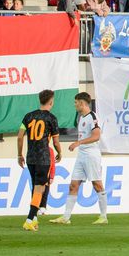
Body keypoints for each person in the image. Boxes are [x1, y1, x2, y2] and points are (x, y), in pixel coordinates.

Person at [50, 92, 108, 225]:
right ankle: (66, 217)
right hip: (82, 154)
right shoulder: (81, 117)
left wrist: (78, 143)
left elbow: (96, 136)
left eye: (76, 102)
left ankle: (103, 216)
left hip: (91, 154)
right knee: (73, 185)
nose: (74, 105)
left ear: (82, 103)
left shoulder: (92, 117)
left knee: (97, 184)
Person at [17, 89, 62, 232]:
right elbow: (55, 141)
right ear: (51, 101)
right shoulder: (51, 118)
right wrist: (60, 152)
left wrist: (19, 154)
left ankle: (34, 218)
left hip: (30, 157)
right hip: (43, 158)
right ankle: (29, 219)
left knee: (37, 186)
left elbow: (19, 136)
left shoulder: (28, 116)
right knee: (39, 187)